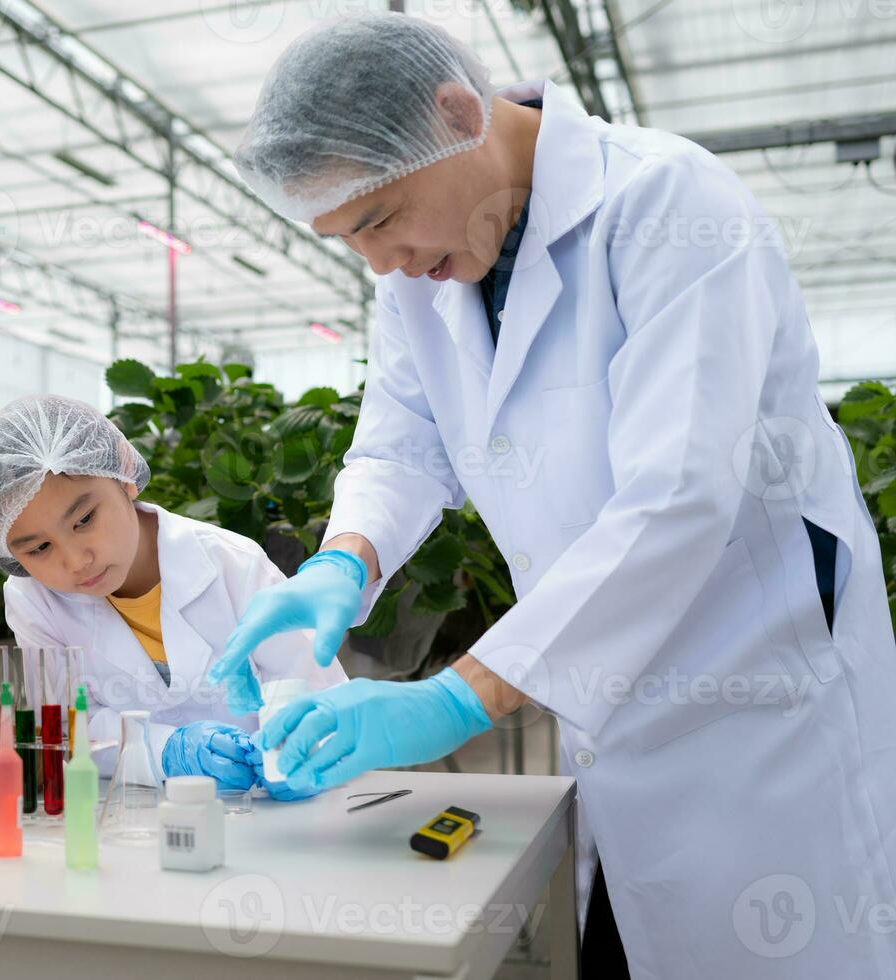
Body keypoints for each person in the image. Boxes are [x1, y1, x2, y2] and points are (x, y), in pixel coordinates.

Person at [208, 13, 896, 980]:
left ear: (455, 115)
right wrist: (340, 559)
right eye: (345, 239)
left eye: (375, 219)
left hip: (756, 699)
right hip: (608, 702)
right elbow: (402, 442)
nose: (377, 261)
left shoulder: (664, 201)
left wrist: (456, 697)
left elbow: (676, 497)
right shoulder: (421, 270)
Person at [0, 394, 346, 796]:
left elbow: (319, 697)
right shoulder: (33, 600)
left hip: (267, 811)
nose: (76, 561)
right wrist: (165, 751)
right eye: (39, 549)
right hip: (135, 818)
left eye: (85, 519)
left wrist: (296, 757)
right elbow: (63, 730)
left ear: (124, 474)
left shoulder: (234, 565)